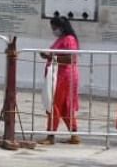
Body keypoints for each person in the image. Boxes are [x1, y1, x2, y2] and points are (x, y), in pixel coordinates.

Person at [40, 15, 80, 144]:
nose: (53, 30)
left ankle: (51, 135)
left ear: (61, 27)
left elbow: (70, 59)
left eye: (55, 28)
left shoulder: (69, 39)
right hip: (57, 74)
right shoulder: (61, 39)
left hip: (64, 76)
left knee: (54, 105)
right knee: (63, 107)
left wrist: (51, 57)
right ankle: (74, 134)